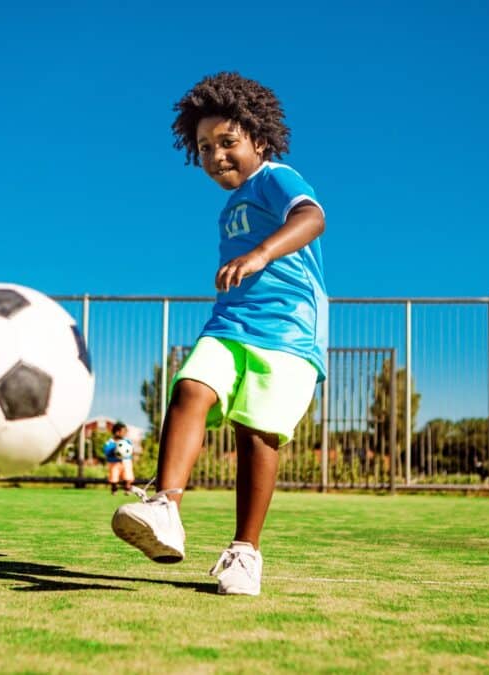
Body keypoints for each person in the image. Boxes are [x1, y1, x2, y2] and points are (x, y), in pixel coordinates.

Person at [111, 72, 327, 596]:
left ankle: (244, 552)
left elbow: (312, 216)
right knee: (190, 388)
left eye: (227, 142)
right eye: (204, 147)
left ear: (258, 138)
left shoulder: (276, 177)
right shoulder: (228, 207)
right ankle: (165, 507)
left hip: (289, 334)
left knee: (257, 434)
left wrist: (260, 253)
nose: (215, 156)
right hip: (230, 324)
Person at [102, 422, 134, 495]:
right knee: (114, 476)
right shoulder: (110, 442)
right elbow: (106, 451)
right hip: (114, 462)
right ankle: (114, 489)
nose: (125, 433)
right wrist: (115, 450)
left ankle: (127, 489)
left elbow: (130, 449)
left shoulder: (127, 441)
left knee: (128, 475)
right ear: (117, 432)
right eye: (123, 432)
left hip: (126, 461)